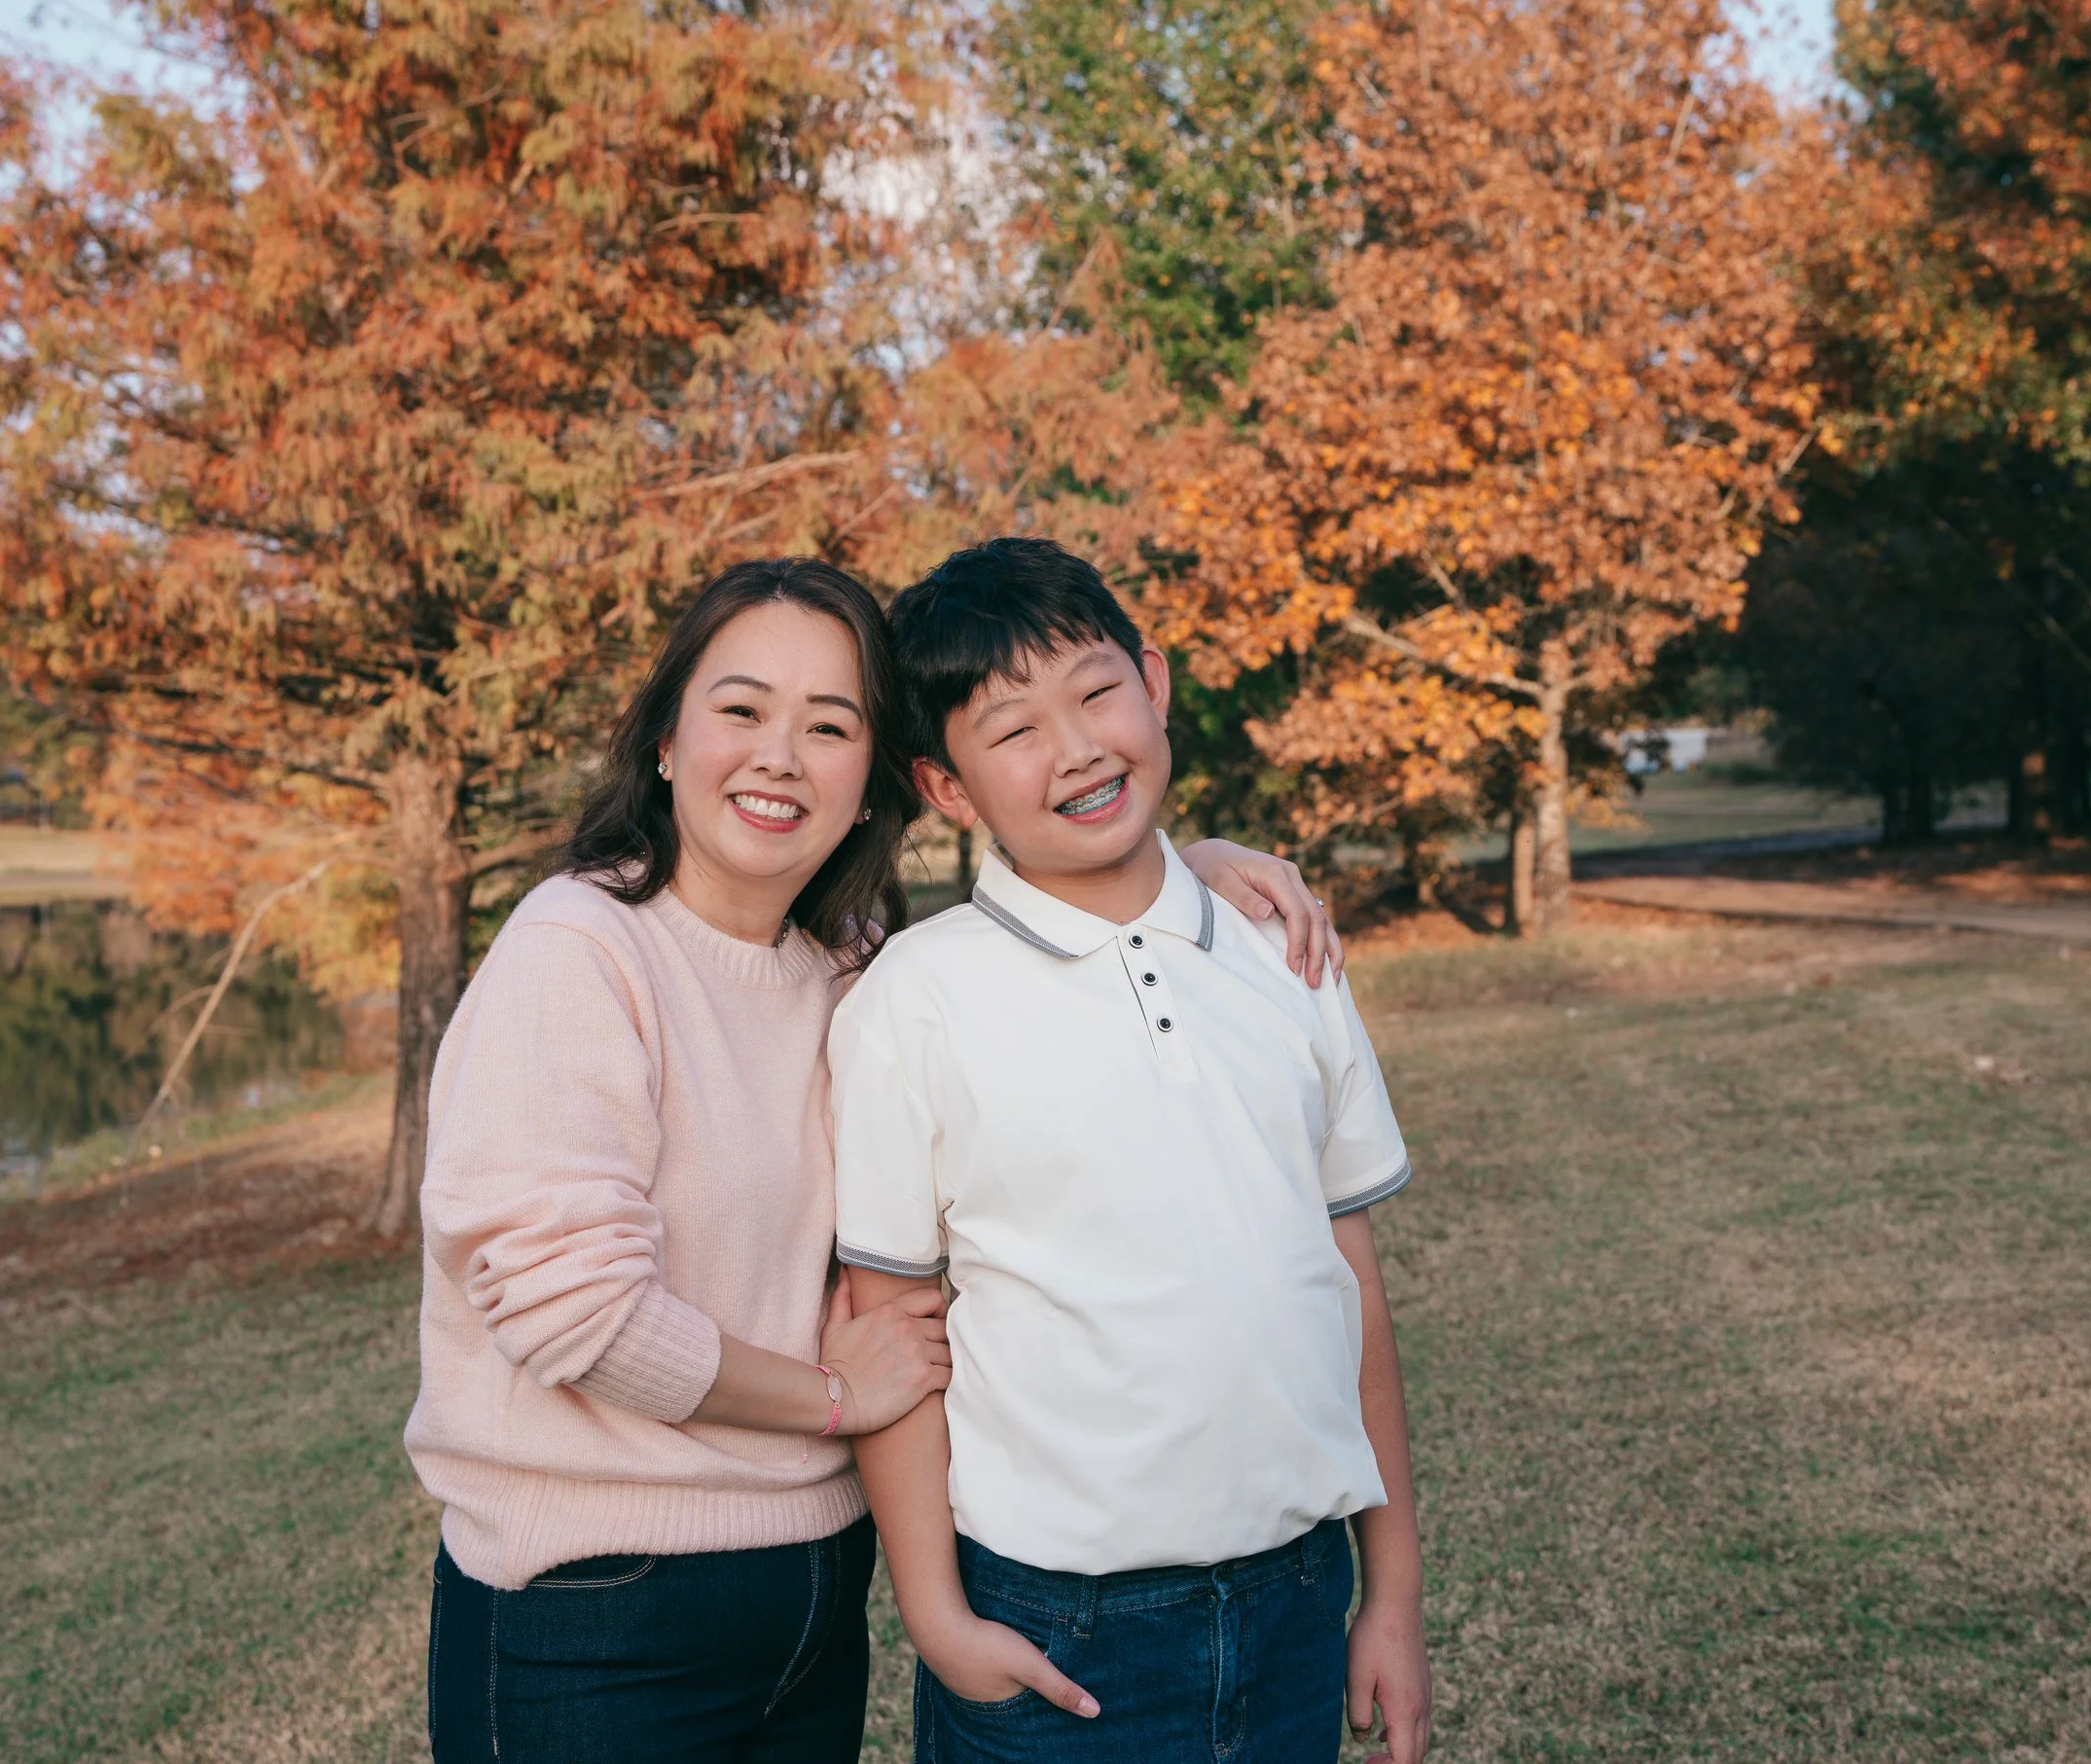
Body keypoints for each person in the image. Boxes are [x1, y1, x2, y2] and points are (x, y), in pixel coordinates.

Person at [407, 557, 1342, 1764]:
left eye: (829, 725)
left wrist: (1187, 869)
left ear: (876, 785)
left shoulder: (846, 962)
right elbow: (571, 1310)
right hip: (599, 1613)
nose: (778, 757)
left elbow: (1065, 900)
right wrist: (834, 1398)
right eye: (740, 711)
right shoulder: (578, 950)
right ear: (663, 740)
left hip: (808, 1592)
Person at [834, 537, 1433, 1764]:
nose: (1076, 748)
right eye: (1011, 730)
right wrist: (940, 1622)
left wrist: (1393, 1597)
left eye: (1097, 691)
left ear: (1152, 683)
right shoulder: (917, 1000)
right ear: (945, 788)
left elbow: (1346, 1281)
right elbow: (885, 1319)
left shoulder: (1281, 944)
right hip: (1058, 1623)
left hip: (1296, 1598)